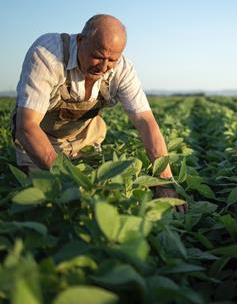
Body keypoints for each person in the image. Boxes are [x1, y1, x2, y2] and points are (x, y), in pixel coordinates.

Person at [11, 14, 187, 212]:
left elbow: (146, 122)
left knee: (103, 202)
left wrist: (163, 182)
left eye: (112, 59)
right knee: (46, 205)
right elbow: (26, 127)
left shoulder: (122, 69)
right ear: (80, 40)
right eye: (98, 56)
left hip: (85, 140)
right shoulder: (47, 55)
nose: (103, 67)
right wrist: (71, 181)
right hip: (39, 141)